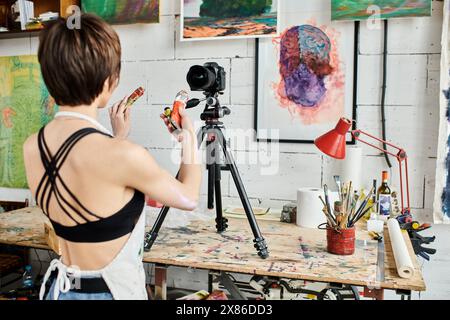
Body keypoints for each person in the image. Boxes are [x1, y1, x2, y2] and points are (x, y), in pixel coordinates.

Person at [22, 14, 201, 300]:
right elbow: (188, 197)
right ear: (110, 81)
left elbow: (90, 187)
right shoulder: (124, 156)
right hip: (110, 293)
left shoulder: (33, 146)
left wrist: (117, 137)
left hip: (61, 290)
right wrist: (189, 137)